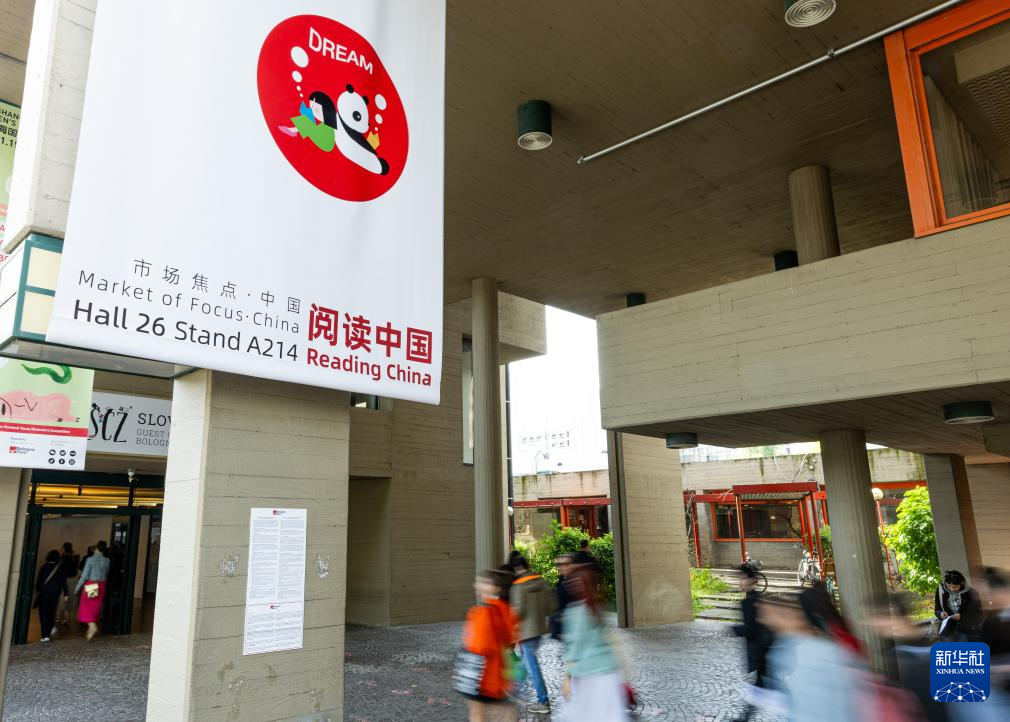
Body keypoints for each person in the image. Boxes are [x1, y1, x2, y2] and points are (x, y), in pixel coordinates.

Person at [761, 599, 862, 722]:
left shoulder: (824, 652)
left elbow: (843, 699)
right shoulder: (780, 651)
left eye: (770, 614)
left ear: (791, 615)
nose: (765, 620)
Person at [558, 566, 628, 722]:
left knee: (583, 715)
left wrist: (566, 676)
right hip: (607, 673)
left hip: (586, 675)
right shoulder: (597, 605)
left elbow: (575, 647)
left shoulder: (575, 611)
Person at [455, 569, 518, 722]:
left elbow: (479, 646)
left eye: (484, 582)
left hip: (478, 672)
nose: (476, 585)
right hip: (496, 673)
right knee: (502, 710)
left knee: (478, 713)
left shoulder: (483, 612)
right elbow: (510, 641)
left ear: (497, 588)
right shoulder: (505, 609)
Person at [508, 551, 555, 715]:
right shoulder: (540, 581)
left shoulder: (518, 586)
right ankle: (511, 686)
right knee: (526, 661)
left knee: (532, 665)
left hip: (525, 632)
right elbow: (551, 606)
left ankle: (543, 701)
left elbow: (518, 611)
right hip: (539, 630)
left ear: (515, 568)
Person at [731, 564, 773, 722]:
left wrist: (734, 629)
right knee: (761, 686)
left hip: (761, 653)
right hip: (766, 652)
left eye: (743, 578)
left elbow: (751, 629)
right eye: (740, 578)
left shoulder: (749, 602)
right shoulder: (758, 598)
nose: (741, 582)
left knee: (762, 687)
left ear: (752, 580)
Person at [75, 540, 110, 641]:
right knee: (95, 607)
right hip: (102, 584)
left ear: (97, 549)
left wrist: (77, 587)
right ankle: (91, 629)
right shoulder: (107, 560)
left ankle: (92, 626)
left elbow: (84, 575)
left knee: (86, 607)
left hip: (92, 584)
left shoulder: (90, 559)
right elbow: (106, 572)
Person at [934, 569, 982, 641]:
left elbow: (978, 613)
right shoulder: (941, 591)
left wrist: (961, 616)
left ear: (962, 583)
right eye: (948, 586)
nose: (952, 589)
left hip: (967, 629)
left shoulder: (971, 593)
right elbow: (937, 610)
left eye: (955, 587)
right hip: (948, 629)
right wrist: (940, 614)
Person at [33, 550, 68, 643]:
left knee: (43, 615)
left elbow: (39, 582)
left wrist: (38, 590)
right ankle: (48, 633)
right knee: (51, 613)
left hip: (44, 594)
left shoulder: (44, 567)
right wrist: (66, 593)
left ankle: (44, 635)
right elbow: (63, 582)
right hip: (55, 595)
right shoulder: (60, 568)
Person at [549, 554, 576, 640]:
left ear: (573, 565)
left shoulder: (577, 582)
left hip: (574, 630)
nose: (561, 567)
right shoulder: (562, 581)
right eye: (559, 564)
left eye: (565, 564)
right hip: (564, 630)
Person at [55, 542, 79, 625]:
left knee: (62, 598)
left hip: (64, 580)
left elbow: (59, 569)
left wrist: (60, 554)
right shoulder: (75, 557)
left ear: (64, 548)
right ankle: (66, 618)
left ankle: (58, 617)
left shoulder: (63, 557)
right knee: (69, 599)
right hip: (73, 580)